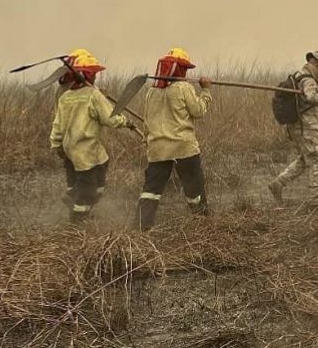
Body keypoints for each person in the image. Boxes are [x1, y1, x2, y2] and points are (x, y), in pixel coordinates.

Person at [49, 51, 132, 222]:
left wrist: (56, 145)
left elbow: (57, 125)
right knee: (88, 188)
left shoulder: (66, 97)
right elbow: (111, 118)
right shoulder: (93, 96)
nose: (95, 76)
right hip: (85, 150)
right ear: (88, 75)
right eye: (93, 73)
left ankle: (77, 197)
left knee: (102, 162)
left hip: (73, 149)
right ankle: (78, 219)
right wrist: (126, 122)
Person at [137, 48, 213, 231]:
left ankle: (141, 227)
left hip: (157, 149)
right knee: (194, 187)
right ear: (179, 70)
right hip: (183, 148)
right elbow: (198, 111)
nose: (186, 73)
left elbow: (147, 122)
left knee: (151, 191)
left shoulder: (151, 92)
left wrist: (147, 140)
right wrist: (206, 91)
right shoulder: (184, 88)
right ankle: (203, 224)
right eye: (184, 69)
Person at [269, 51, 318, 204]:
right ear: (315, 65)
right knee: (316, 158)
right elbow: (311, 97)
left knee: (304, 159)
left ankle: (278, 183)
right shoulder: (308, 80)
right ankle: (316, 197)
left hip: (296, 126)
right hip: (306, 126)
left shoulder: (296, 76)